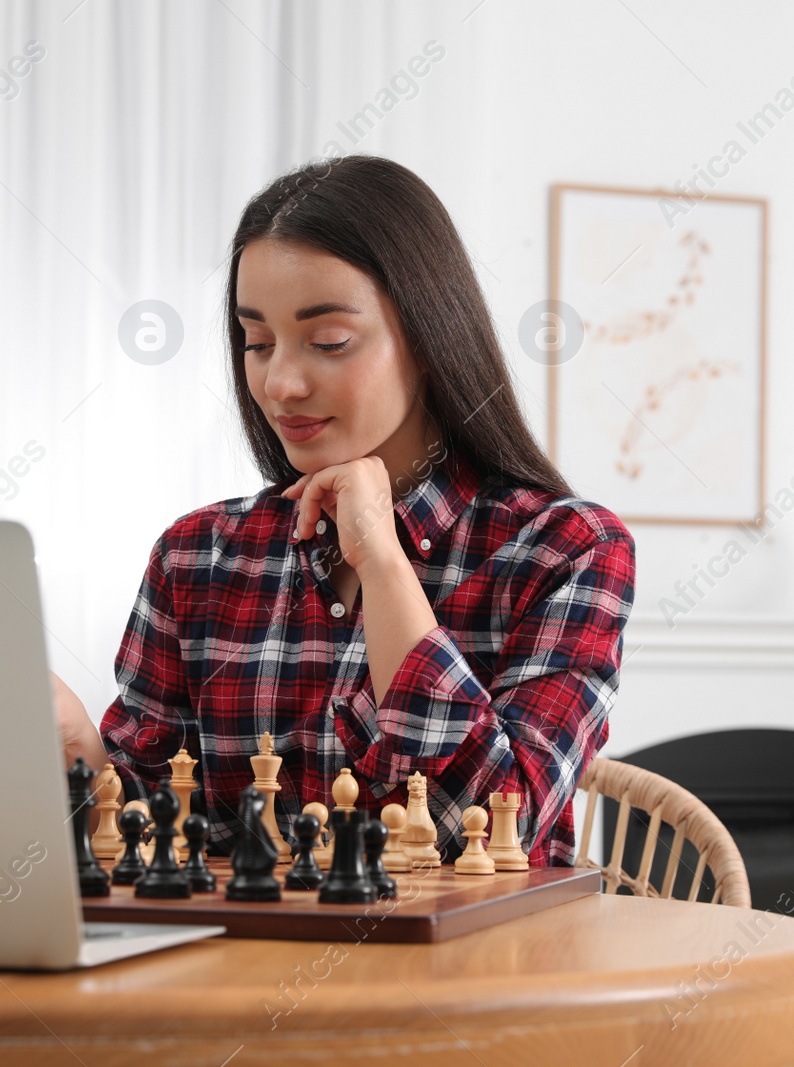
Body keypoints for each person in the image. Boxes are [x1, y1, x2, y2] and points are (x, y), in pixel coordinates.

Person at [52, 155, 635, 864]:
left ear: (428, 337)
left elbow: (476, 829)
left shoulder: (566, 549)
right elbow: (149, 835)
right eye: (256, 342)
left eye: (328, 342)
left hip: (476, 973)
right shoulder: (196, 555)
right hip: (234, 974)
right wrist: (82, 754)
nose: (281, 382)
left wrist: (383, 561)